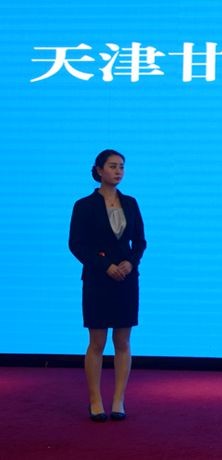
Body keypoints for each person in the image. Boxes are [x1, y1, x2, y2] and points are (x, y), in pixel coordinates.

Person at [68, 149, 146, 423]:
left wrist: (130, 263)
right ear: (99, 170)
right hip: (98, 280)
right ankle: (95, 400)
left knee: (123, 341)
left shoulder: (131, 203)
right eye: (112, 166)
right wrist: (105, 266)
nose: (118, 171)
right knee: (97, 342)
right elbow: (76, 245)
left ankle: (118, 400)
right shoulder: (83, 205)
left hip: (126, 280)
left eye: (121, 166)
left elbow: (140, 242)